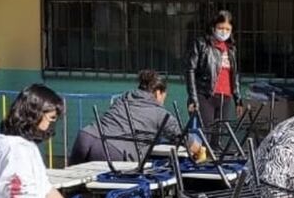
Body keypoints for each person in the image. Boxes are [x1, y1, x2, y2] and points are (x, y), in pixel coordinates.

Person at [68, 69, 201, 165]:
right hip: (111, 150)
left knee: (72, 190)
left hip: (85, 137)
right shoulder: (160, 113)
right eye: (164, 96)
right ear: (158, 92)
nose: (163, 101)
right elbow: (183, 138)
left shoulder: (124, 98)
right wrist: (200, 150)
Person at [186, 11, 243, 145]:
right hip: (206, 95)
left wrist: (238, 100)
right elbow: (190, 70)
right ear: (213, 27)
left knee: (218, 138)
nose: (224, 32)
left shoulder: (231, 49)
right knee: (204, 136)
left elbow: (234, 75)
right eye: (221, 28)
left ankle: (215, 157)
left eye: (228, 29)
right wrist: (193, 98)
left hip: (225, 98)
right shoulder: (202, 44)